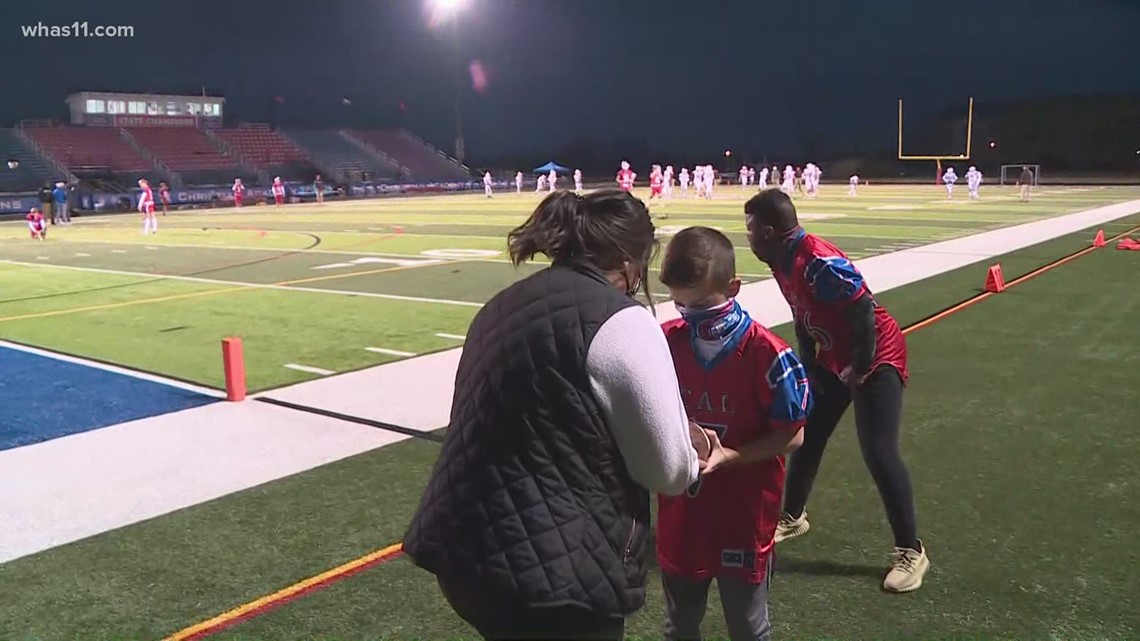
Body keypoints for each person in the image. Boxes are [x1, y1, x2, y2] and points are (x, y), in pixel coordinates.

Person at [404, 189, 701, 641]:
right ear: (629, 260)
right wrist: (697, 450)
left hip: (463, 551)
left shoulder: (500, 305)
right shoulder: (618, 320)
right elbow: (670, 470)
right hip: (553, 573)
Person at [743, 189, 930, 593]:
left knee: (879, 451)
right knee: (805, 434)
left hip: (874, 353)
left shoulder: (816, 261)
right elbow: (802, 313)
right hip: (834, 354)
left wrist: (860, 368)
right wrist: (811, 364)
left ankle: (911, 550)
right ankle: (793, 515)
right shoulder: (780, 258)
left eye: (752, 230)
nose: (749, 238)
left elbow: (862, 309)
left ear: (771, 231)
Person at [657, 227, 810, 641]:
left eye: (701, 303)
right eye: (679, 302)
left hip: (743, 516)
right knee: (680, 626)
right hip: (681, 515)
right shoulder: (665, 343)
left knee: (747, 627)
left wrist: (732, 456)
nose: (688, 313)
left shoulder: (770, 354)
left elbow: (794, 436)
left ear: (734, 287)